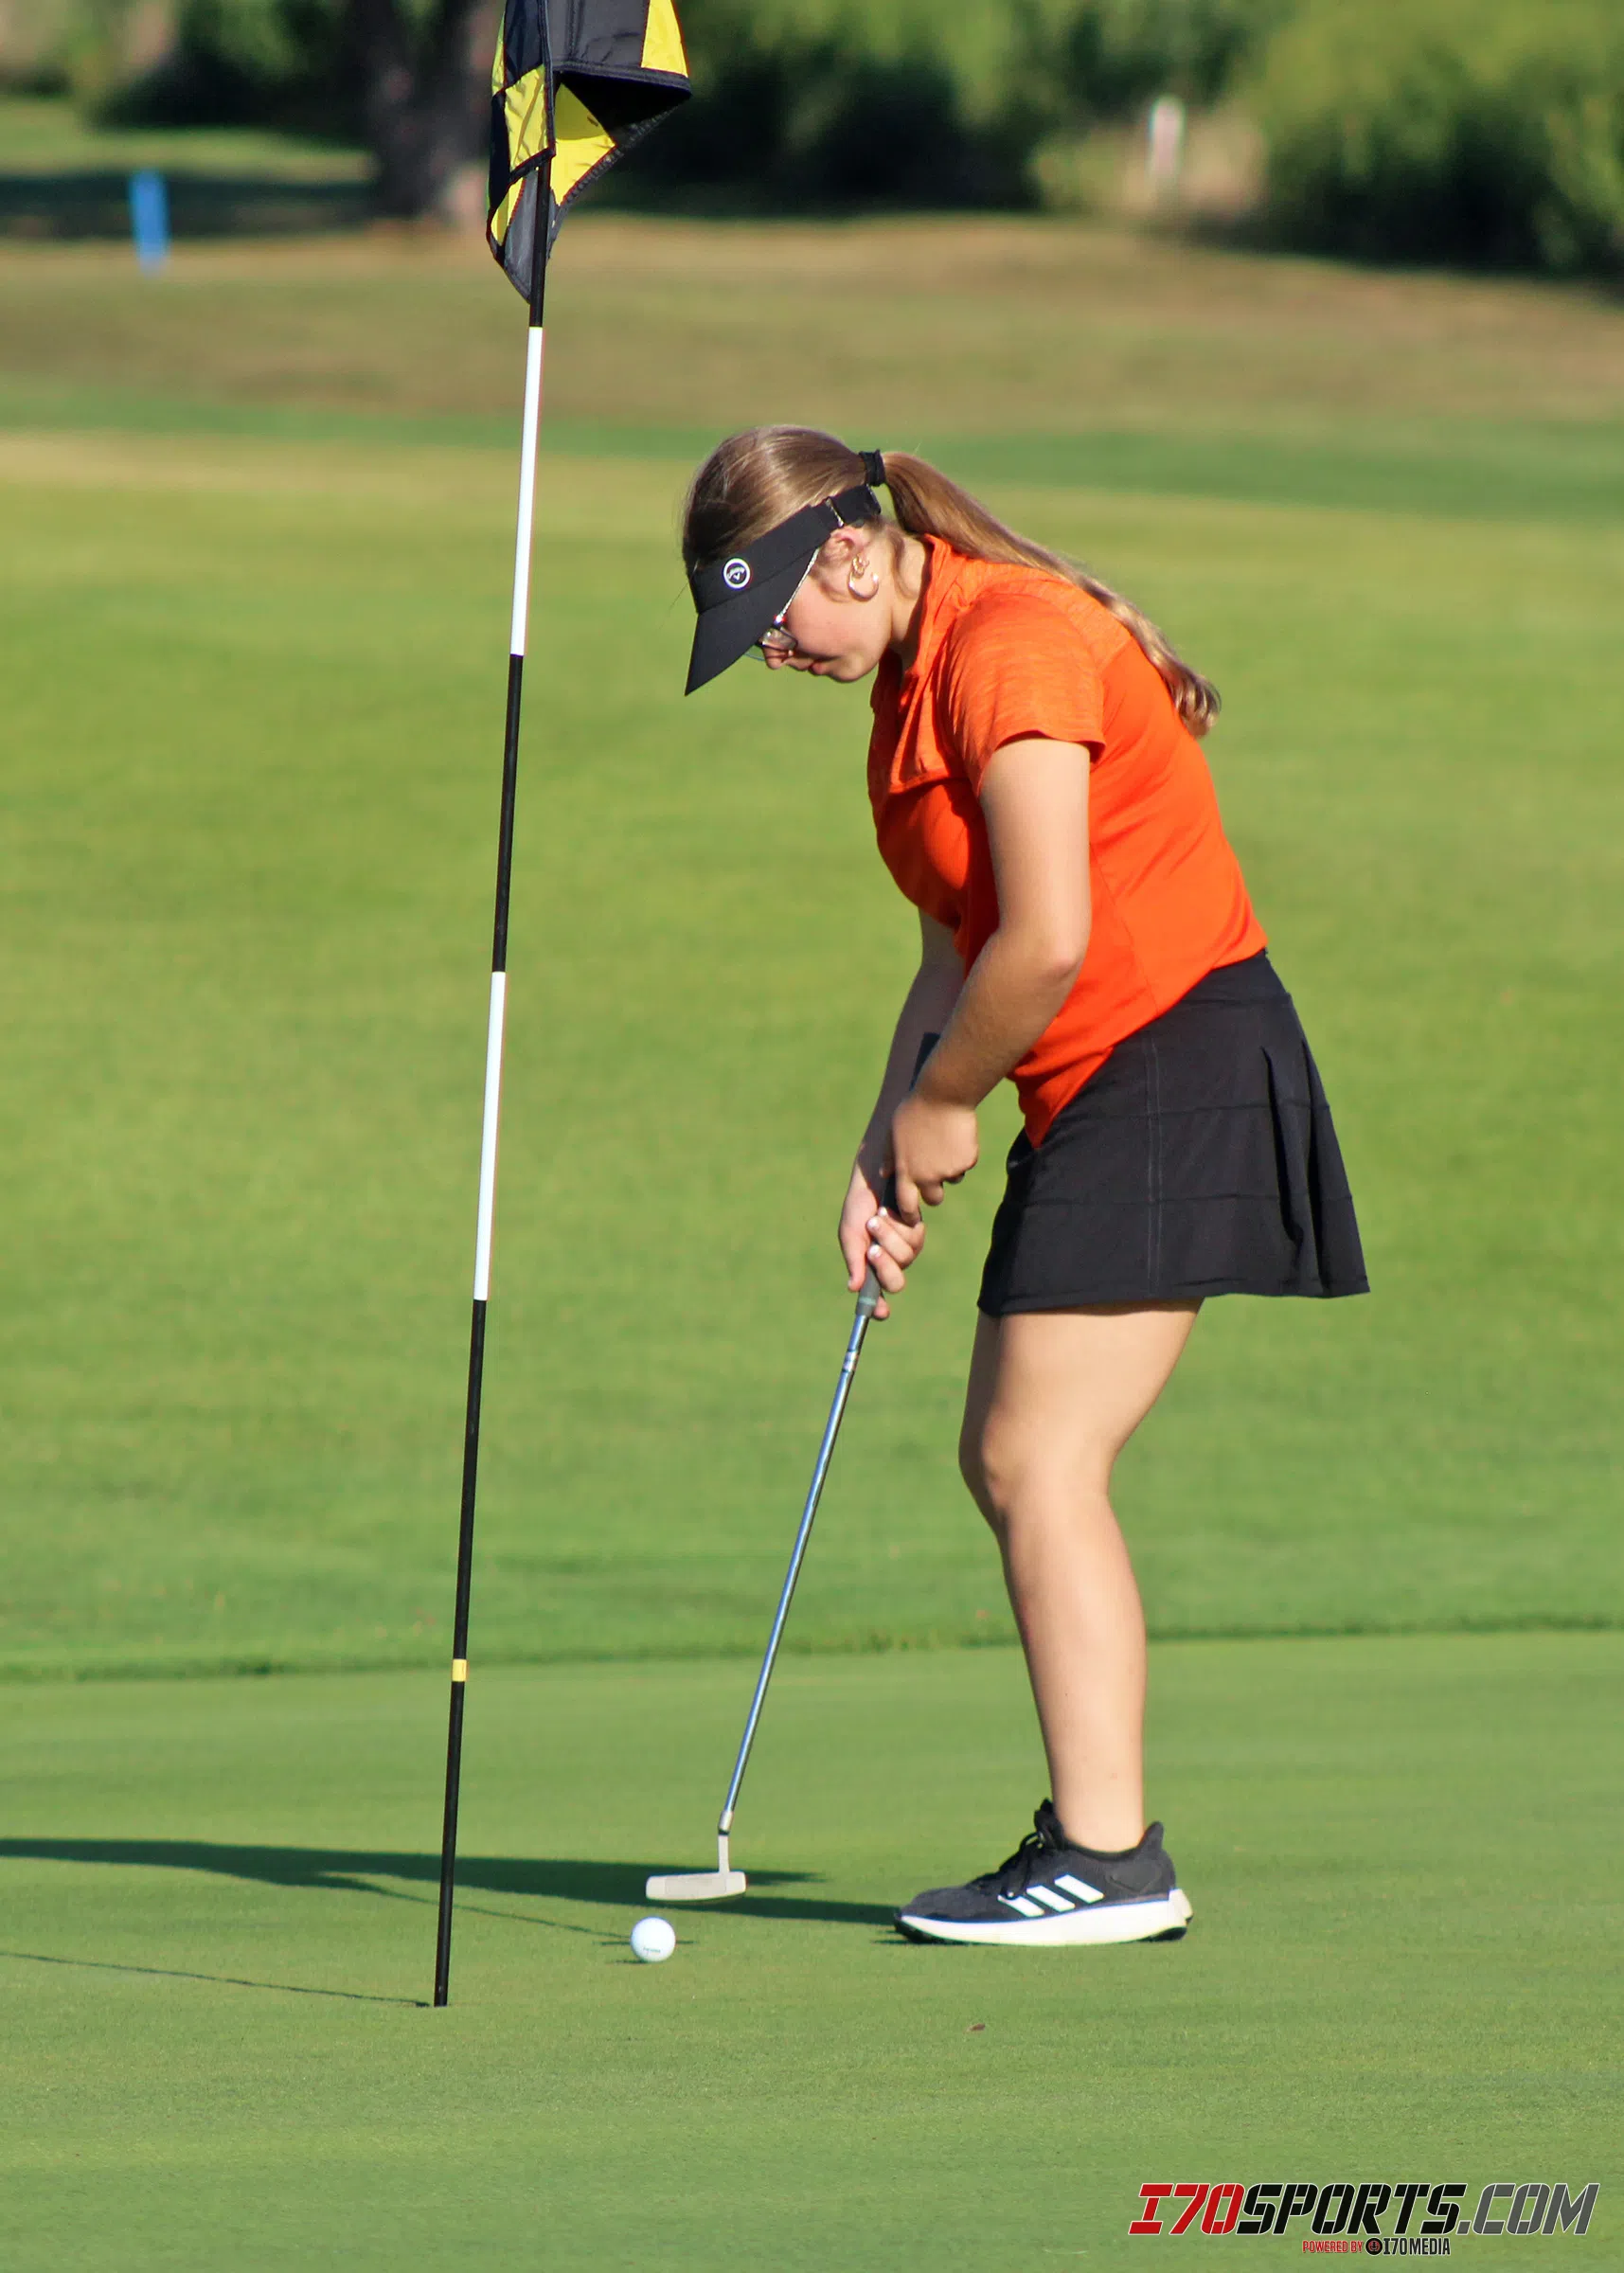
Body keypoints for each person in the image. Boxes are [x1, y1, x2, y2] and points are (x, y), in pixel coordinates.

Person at [681, 428, 1367, 1947]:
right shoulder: (909, 690)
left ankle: (1109, 1860)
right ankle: (1096, 1844)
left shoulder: (1013, 646)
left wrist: (944, 1104)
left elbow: (1048, 937)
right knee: (1010, 1457)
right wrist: (886, 1138)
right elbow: (956, 943)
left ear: (844, 554)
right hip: (1105, 1077)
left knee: (1039, 1456)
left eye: (775, 623)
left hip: (1171, 1053)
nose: (776, 656)